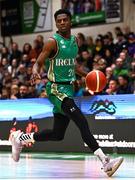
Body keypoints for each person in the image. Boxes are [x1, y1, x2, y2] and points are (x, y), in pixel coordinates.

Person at [10, 9, 123, 177]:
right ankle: (105, 162)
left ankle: (20, 139)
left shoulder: (74, 41)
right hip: (55, 89)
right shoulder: (52, 42)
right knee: (81, 122)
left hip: (68, 89)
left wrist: (89, 75)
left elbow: (72, 65)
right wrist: (35, 71)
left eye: (65, 20)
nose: (62, 22)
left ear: (70, 22)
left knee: (57, 135)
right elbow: (39, 61)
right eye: (59, 21)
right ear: (56, 24)